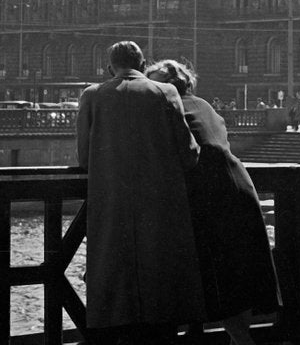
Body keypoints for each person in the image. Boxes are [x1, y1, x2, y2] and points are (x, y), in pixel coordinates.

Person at [76, 42, 206, 344]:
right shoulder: (166, 93)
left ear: (110, 68)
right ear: (142, 62)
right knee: (161, 298)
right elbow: (189, 153)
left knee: (114, 297)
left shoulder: (92, 96)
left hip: (111, 212)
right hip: (160, 212)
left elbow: (84, 158)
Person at [145, 60, 281, 345]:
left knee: (215, 279)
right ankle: (239, 338)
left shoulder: (167, 106)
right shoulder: (204, 105)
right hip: (240, 189)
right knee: (237, 278)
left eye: (154, 84)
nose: (150, 89)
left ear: (168, 86)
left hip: (212, 197)